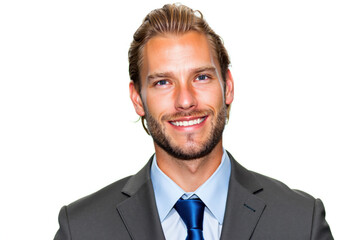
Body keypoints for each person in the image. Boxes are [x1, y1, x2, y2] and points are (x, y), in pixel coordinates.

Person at [54, 4, 333, 240]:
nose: (185, 101)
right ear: (137, 99)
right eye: (163, 82)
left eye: (201, 77)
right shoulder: (81, 229)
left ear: (228, 86)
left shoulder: (300, 222)